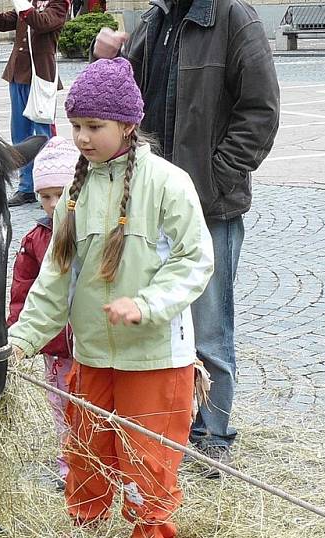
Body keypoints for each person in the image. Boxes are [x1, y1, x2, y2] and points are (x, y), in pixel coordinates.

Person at [8, 58, 214, 538]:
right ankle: (86, 535)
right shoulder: (74, 192)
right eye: (76, 126)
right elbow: (54, 278)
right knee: (84, 452)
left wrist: (145, 304)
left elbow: (194, 260)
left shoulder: (168, 182)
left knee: (150, 458)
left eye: (94, 127)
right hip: (92, 354)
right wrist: (23, 339)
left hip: (156, 356)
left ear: (127, 125)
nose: (81, 138)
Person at [91, 0, 280, 476]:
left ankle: (213, 434)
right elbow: (118, 101)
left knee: (209, 328)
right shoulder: (155, 21)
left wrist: (217, 177)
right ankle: (161, 428)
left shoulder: (235, 18)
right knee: (152, 312)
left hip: (209, 205)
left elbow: (260, 112)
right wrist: (106, 61)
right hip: (148, 201)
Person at [7, 136, 80, 490]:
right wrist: (18, 334)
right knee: (62, 407)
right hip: (55, 347)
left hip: (91, 344)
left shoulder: (91, 231)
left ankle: (99, 466)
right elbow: (23, 291)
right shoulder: (35, 239)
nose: (53, 204)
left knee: (94, 407)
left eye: (60, 194)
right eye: (45, 196)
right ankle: (70, 468)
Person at [0, 0, 70, 206]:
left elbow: (42, 22)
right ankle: (26, 187)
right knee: (20, 134)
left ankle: (53, 182)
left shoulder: (59, 3)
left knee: (44, 134)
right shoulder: (29, 2)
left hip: (41, 76)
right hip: (18, 73)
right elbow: (5, 23)